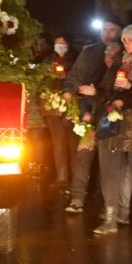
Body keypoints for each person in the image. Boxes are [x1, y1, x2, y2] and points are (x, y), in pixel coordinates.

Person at [91, 25, 132, 235]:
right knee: (110, 169)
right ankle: (110, 217)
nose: (125, 42)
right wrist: (96, 91)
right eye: (124, 39)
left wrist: (127, 92)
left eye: (130, 39)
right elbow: (106, 90)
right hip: (113, 121)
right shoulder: (118, 61)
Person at [63, 17, 122, 214]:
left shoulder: (126, 55)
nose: (107, 33)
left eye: (112, 29)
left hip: (112, 117)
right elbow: (75, 76)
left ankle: (107, 201)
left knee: (109, 162)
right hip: (89, 113)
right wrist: (69, 92)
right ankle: (77, 197)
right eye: (104, 29)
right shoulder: (89, 53)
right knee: (83, 156)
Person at [42, 33, 78, 186]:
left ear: (69, 44)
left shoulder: (76, 60)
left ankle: (77, 177)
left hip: (71, 105)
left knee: (72, 142)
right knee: (58, 142)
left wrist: (65, 78)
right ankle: (61, 175)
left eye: (63, 43)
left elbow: (79, 78)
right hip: (51, 105)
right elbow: (42, 81)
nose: (60, 47)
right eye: (57, 43)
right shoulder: (48, 60)